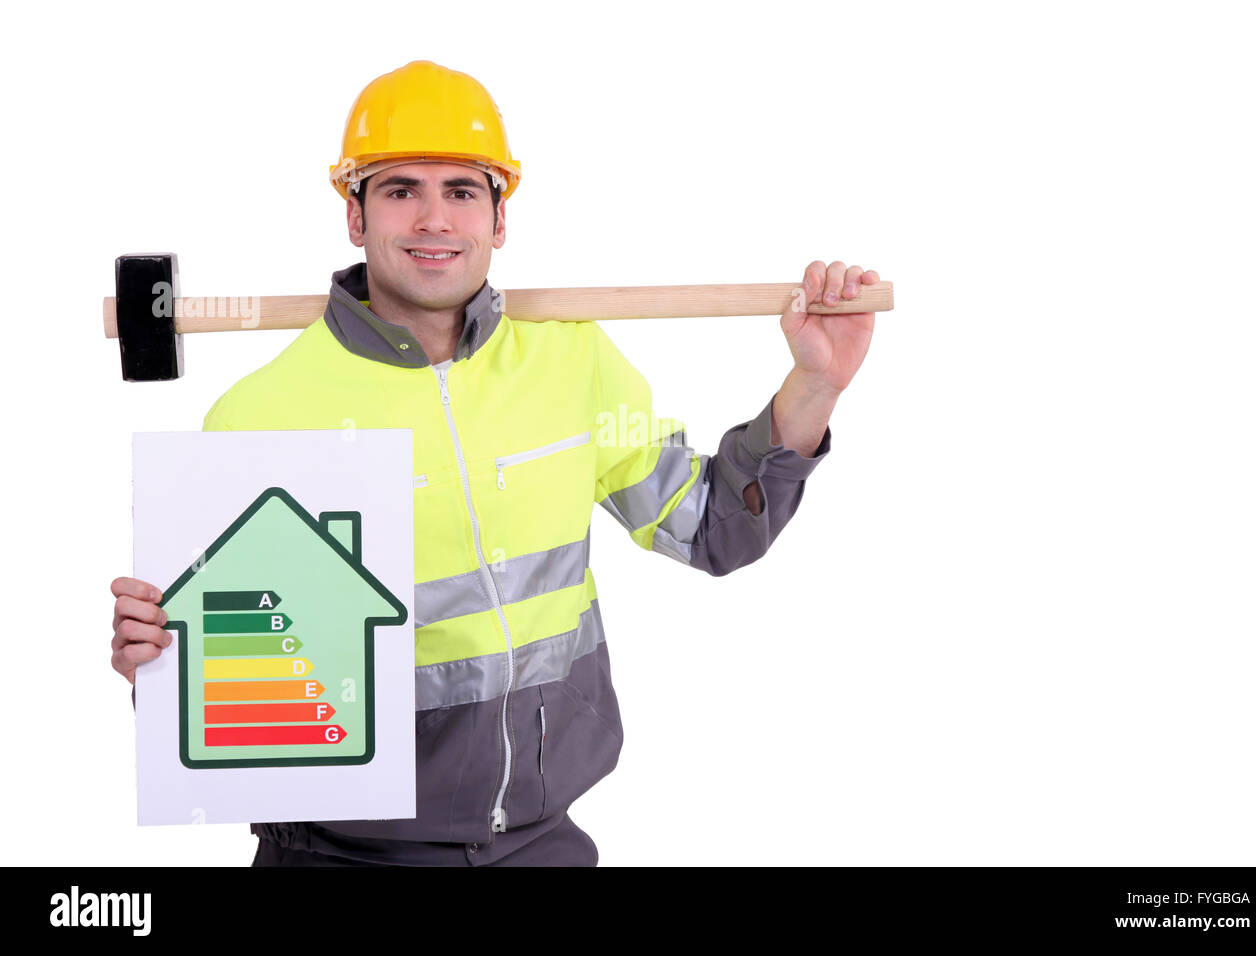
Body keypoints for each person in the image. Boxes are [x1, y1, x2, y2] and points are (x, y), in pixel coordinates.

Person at [109, 60, 879, 866]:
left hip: (540, 842)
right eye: (401, 188)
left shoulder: (572, 361)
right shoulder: (256, 417)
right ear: (354, 214)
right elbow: (226, 693)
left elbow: (713, 528)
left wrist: (816, 383)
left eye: (463, 191)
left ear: (499, 217)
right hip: (336, 855)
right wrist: (154, 665)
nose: (433, 219)